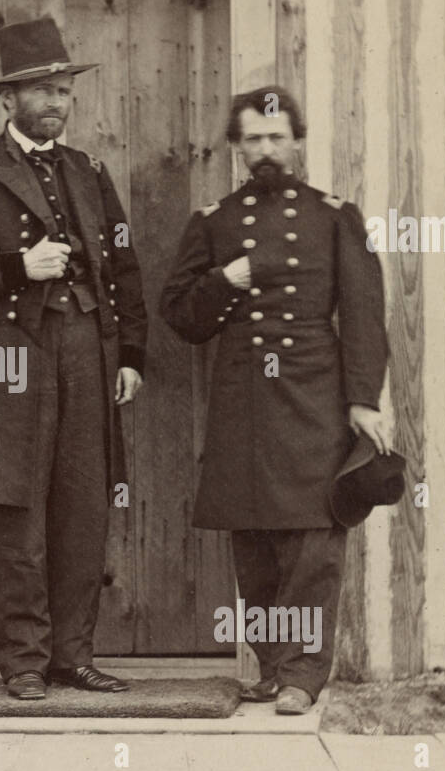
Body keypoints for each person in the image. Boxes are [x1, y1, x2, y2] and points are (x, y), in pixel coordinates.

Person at [0, 17, 148, 700]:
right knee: (13, 504)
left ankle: (71, 655)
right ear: (8, 100)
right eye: (41, 91)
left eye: (62, 91)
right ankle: (22, 659)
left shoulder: (88, 170)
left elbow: (124, 267)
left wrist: (131, 353)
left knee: (83, 503)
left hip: (88, 349)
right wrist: (20, 265)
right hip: (11, 357)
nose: (55, 103)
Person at [159, 85, 389, 715]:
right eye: (253, 139)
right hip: (243, 398)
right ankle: (269, 666)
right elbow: (180, 315)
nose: (266, 148)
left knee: (315, 538)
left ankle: (303, 675)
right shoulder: (213, 221)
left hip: (315, 392)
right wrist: (223, 280)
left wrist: (363, 400)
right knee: (254, 538)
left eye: (277, 136)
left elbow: (365, 314)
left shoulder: (335, 215)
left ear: (296, 141)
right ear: (236, 147)